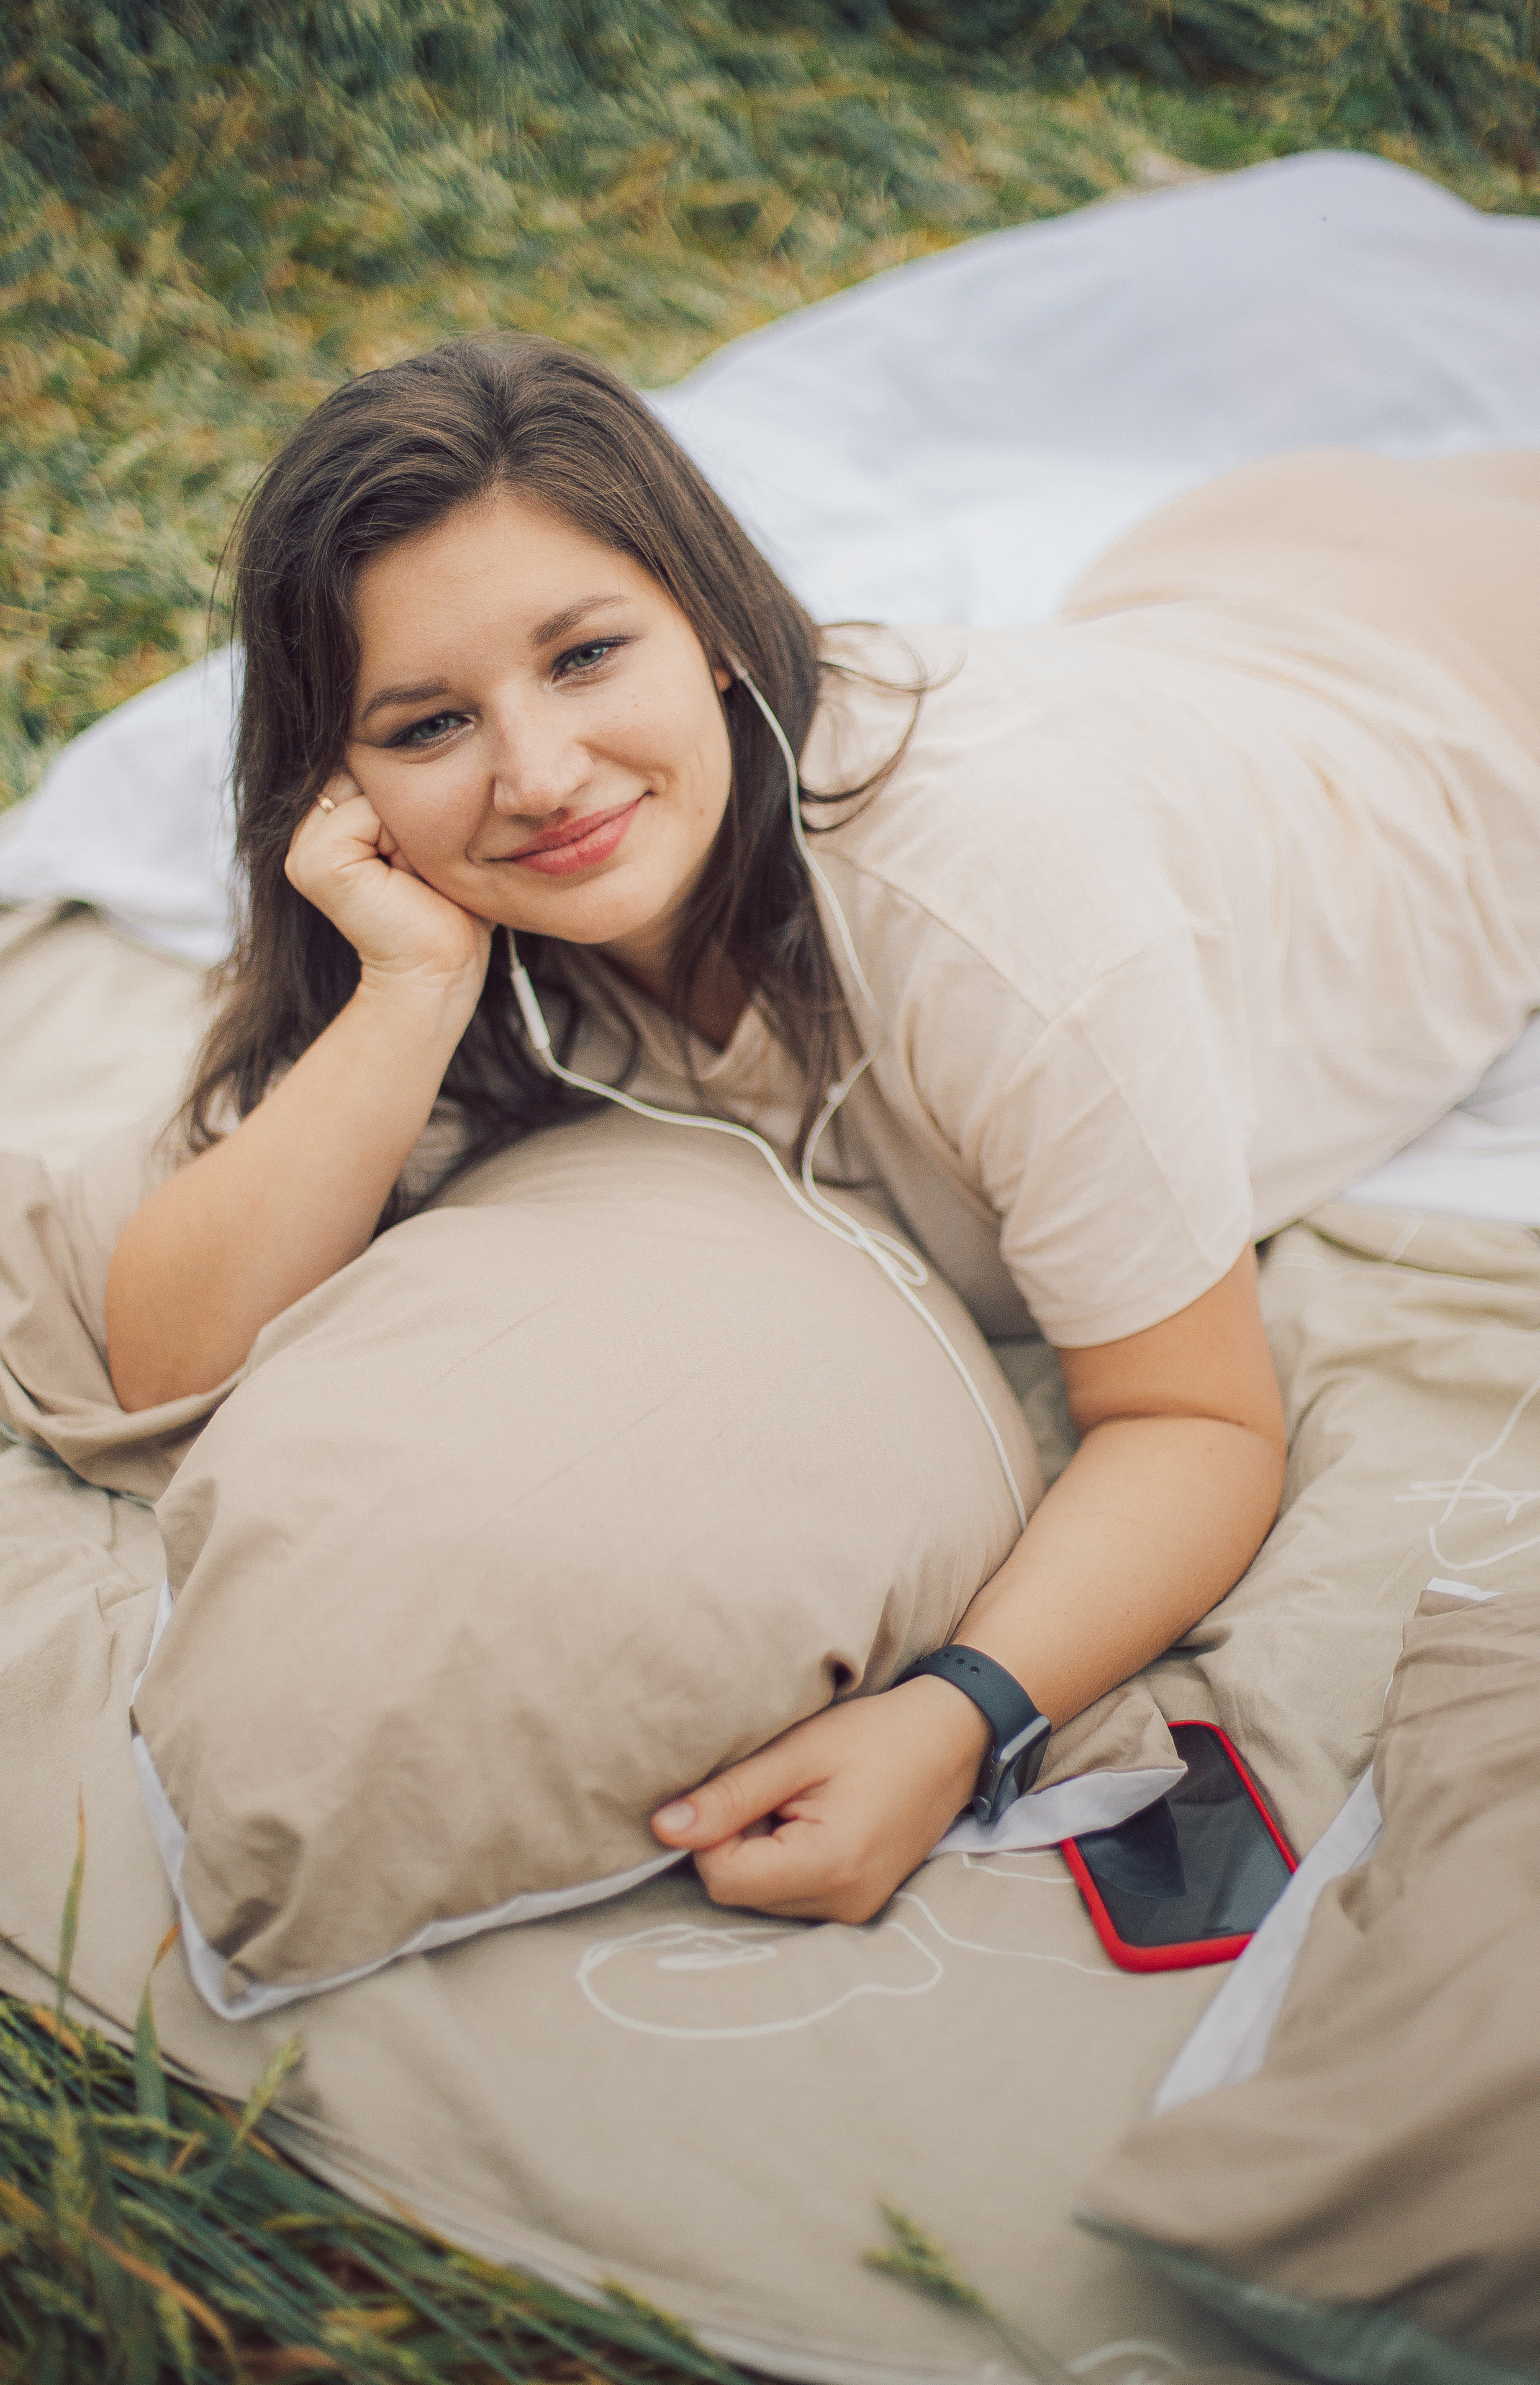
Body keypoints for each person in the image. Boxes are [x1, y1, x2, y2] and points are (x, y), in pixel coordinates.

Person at [104, 335, 1540, 1926]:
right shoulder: (449, 915)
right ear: (338, 779)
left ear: (715, 626)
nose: (539, 773)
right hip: (1202, 610)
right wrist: (405, 989)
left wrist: (954, 1718)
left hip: (1474, 686)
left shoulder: (1000, 910)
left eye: (585, 655)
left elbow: (1195, 1424)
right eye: (428, 724)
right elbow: (170, 1357)